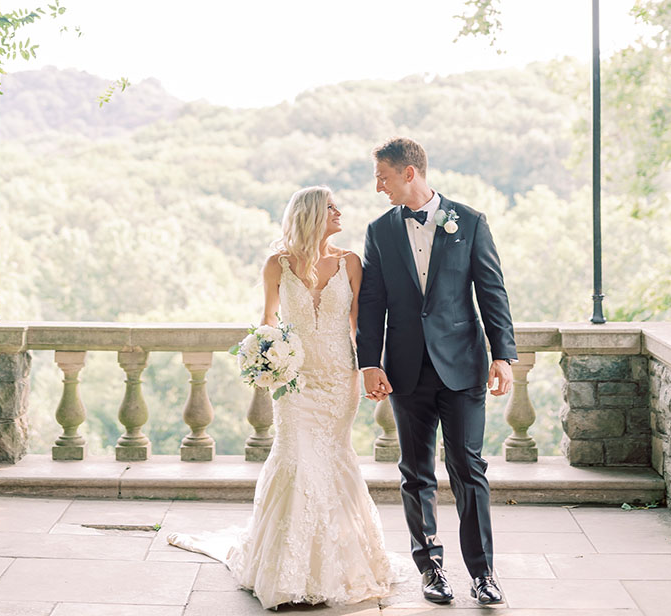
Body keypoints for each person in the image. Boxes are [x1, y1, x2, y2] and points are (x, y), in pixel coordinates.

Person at [168, 185, 391, 609]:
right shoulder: (278, 264)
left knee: (332, 460)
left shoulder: (350, 263)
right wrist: (265, 360)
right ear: (311, 215)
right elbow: (267, 322)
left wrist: (369, 370)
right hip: (294, 383)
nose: (339, 211)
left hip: (337, 382)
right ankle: (287, 570)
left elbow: (362, 325)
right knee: (294, 461)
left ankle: (333, 567)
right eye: (330, 207)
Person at [356, 137, 516, 608]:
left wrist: (503, 354)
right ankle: (431, 567)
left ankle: (484, 574)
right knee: (415, 472)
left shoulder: (469, 222)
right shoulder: (380, 230)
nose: (378, 186)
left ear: (409, 173)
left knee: (469, 468)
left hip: (463, 368)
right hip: (406, 370)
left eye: (382, 176)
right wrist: (369, 362)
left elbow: (493, 292)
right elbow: (371, 305)